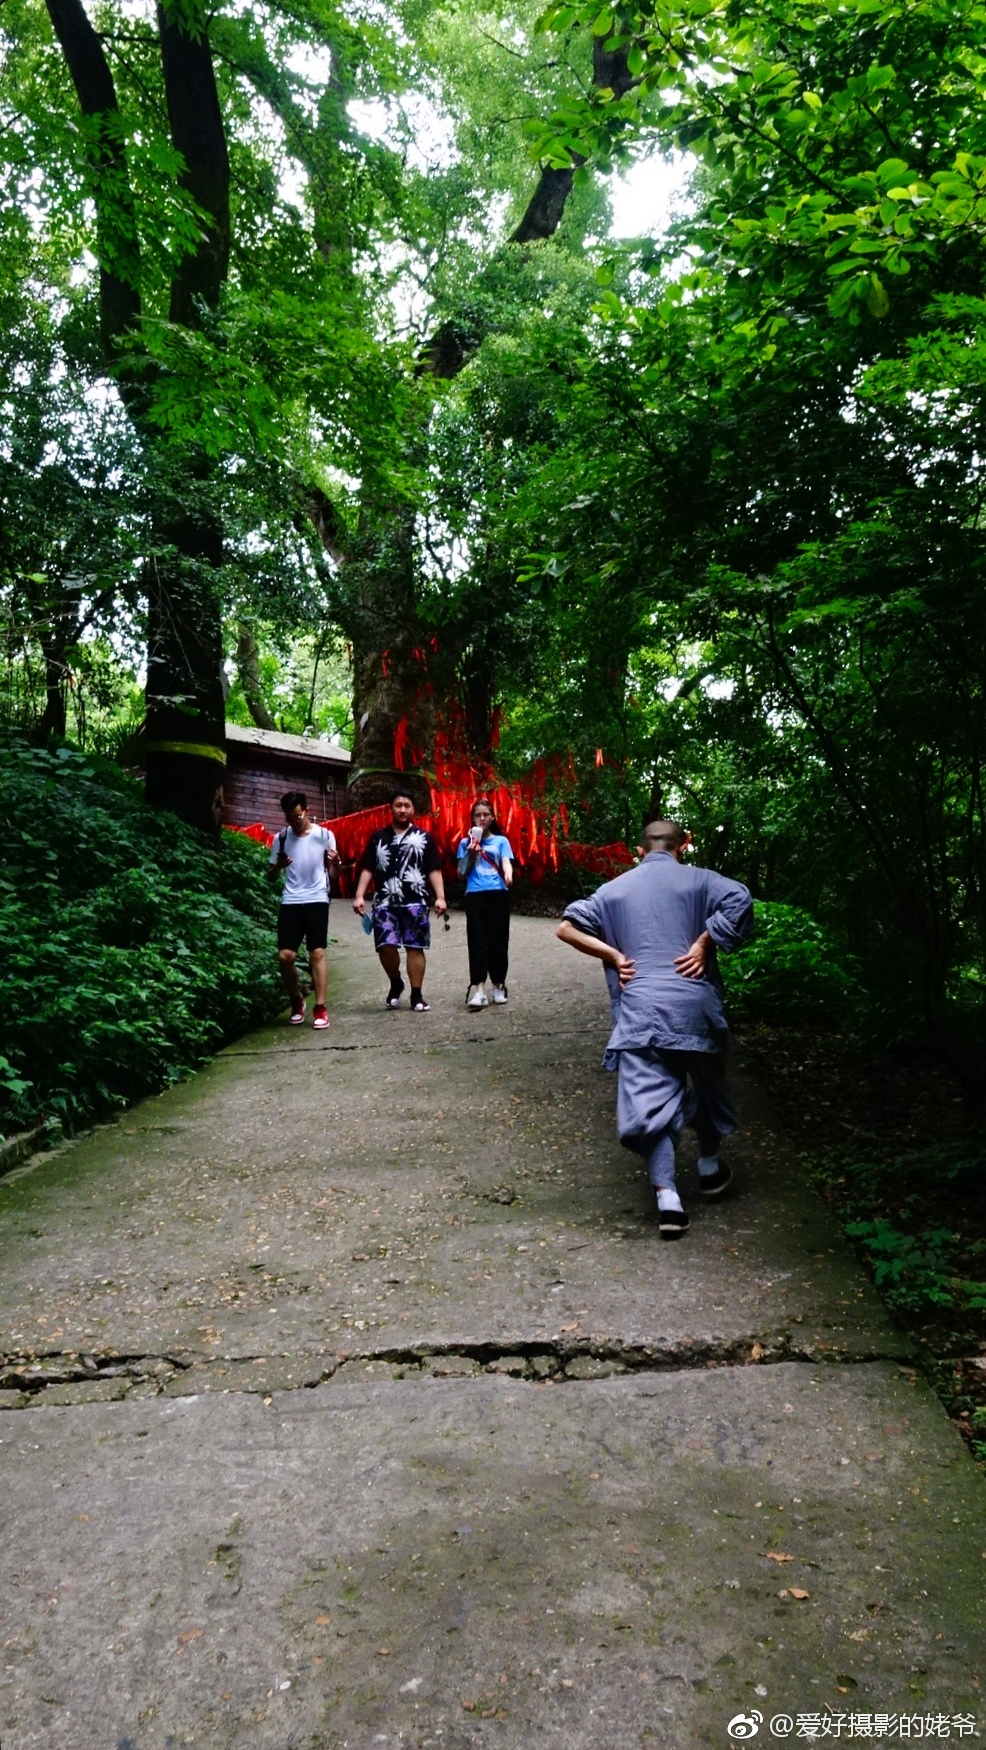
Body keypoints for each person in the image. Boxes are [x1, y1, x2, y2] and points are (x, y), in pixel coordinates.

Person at [556, 818, 752, 1239]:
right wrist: (705, 941)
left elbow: (566, 927)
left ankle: (669, 1200)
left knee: (649, 1098)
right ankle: (709, 1168)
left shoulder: (615, 889)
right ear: (684, 846)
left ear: (639, 851)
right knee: (707, 1084)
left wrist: (613, 954)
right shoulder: (702, 879)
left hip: (642, 1009)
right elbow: (740, 899)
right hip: (695, 1006)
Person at [352, 788, 448, 1012]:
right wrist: (359, 895)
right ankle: (396, 982)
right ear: (391, 808)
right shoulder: (378, 838)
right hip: (385, 901)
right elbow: (367, 867)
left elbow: (434, 869)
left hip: (415, 901)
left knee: (415, 947)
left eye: (407, 805)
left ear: (413, 809)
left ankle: (417, 995)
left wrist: (441, 897)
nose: (402, 810)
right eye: (398, 805)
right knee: (385, 946)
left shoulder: (424, 838)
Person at [268, 790, 339, 1030]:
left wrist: (335, 864)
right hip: (290, 899)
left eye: (298, 816)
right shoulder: (282, 839)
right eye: (289, 817)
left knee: (316, 952)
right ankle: (297, 1000)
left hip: (316, 897)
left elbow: (333, 874)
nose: (294, 821)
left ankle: (320, 1007)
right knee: (285, 956)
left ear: (306, 811)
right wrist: (278, 866)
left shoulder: (322, 836)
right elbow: (270, 877)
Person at [456, 798, 514, 1010]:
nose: (482, 818)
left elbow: (506, 862)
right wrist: (470, 854)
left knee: (498, 941)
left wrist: (508, 874)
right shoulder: (465, 843)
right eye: (478, 815)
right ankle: (479, 989)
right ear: (472, 818)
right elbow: (461, 874)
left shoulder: (501, 841)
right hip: (475, 895)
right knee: (477, 941)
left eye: (486, 815)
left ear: (492, 817)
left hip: (498, 893)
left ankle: (498, 985)